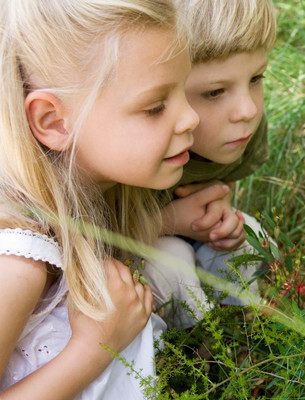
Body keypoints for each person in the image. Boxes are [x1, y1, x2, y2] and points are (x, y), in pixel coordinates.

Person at [0, 1, 199, 399]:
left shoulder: (87, 189)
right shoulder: (18, 265)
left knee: (172, 254)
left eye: (186, 90)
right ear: (54, 122)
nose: (190, 117)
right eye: (155, 106)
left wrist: (167, 220)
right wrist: (91, 350)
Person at [144, 0, 277, 328]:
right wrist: (167, 222)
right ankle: (196, 346)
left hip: (191, 231)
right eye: (216, 92)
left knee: (249, 234)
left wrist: (220, 212)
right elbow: (86, 237)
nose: (247, 110)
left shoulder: (239, 131)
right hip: (124, 252)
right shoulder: (139, 146)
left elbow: (222, 179)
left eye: (256, 78)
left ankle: (242, 328)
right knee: (170, 260)